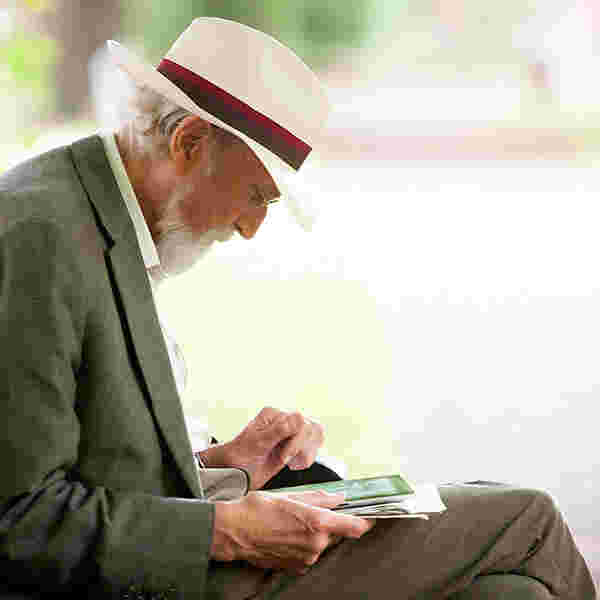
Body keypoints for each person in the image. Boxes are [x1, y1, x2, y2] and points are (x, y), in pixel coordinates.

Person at [0, 17, 595, 600]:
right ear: (187, 142)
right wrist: (229, 532)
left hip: (176, 554)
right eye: (256, 194)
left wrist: (225, 470)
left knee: (511, 590)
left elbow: (102, 464)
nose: (251, 227)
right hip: (158, 580)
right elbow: (19, 519)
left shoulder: (104, 220)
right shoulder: (39, 236)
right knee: (528, 519)